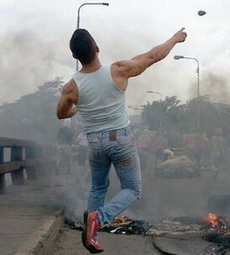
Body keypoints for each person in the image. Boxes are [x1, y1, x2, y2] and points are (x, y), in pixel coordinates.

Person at [56, 27, 187, 253]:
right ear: (97, 48)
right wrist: (175, 39)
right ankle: (100, 218)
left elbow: (61, 113)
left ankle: (91, 235)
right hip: (119, 140)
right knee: (133, 189)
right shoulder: (117, 70)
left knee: (97, 188)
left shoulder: (71, 87)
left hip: (94, 143)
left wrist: (76, 110)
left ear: (75, 56)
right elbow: (152, 56)